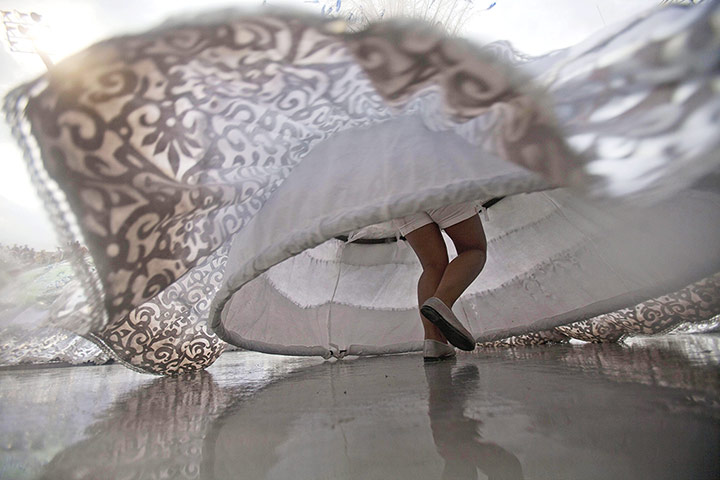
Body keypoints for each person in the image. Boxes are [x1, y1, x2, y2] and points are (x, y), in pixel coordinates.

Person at [394, 201, 487, 360]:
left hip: (399, 199)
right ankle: (442, 302)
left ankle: (435, 341)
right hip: (433, 184)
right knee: (474, 249)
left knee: (432, 266)